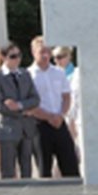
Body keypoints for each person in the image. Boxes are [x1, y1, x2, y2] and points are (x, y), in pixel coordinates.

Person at [27, 36, 79, 178]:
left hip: (60, 122)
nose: (45, 55)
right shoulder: (28, 75)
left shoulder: (59, 72)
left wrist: (61, 115)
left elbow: (66, 97)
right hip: (40, 125)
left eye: (48, 51)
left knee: (71, 166)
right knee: (44, 169)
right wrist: (48, 117)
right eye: (41, 52)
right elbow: (29, 104)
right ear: (33, 52)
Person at [0, 41, 41, 178]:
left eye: (19, 55)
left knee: (27, 170)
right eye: (13, 56)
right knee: (8, 171)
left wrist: (19, 106)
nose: (17, 59)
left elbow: (35, 99)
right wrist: (22, 111)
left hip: (26, 128)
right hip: (7, 129)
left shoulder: (25, 74)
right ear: (3, 57)